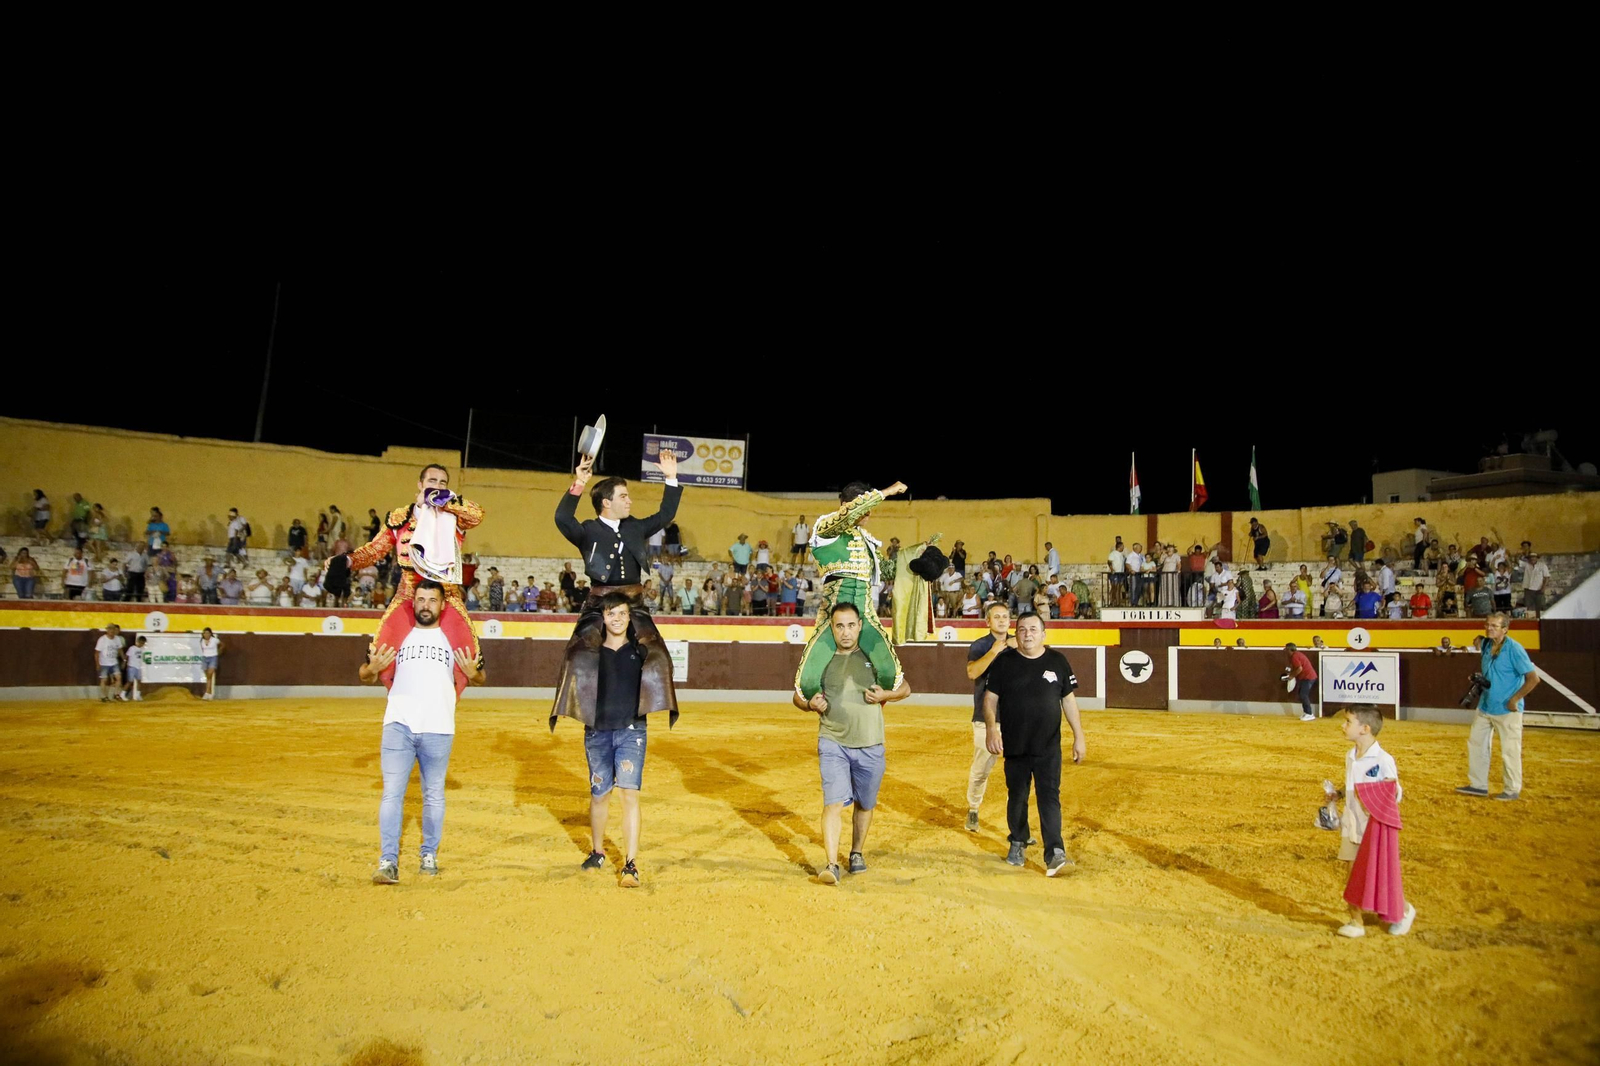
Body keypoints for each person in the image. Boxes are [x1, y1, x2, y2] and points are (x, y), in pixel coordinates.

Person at [360, 581, 485, 884]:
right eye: (421, 599)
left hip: (439, 727)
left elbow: (479, 676)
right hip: (399, 724)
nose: (425, 604)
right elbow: (364, 675)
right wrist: (372, 669)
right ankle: (388, 860)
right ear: (412, 602)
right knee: (392, 794)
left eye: (432, 599)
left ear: (443, 604)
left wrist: (473, 675)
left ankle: (429, 853)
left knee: (433, 796)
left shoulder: (454, 638)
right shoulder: (396, 636)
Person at [551, 448, 682, 733]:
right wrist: (579, 483)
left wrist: (671, 478)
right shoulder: (587, 530)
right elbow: (562, 519)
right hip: (599, 603)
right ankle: (587, 711)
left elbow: (666, 514)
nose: (629, 500)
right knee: (576, 656)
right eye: (624, 496)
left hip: (634, 603)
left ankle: (640, 710)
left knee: (657, 654)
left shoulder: (635, 526)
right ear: (606, 502)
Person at [793, 602, 910, 884]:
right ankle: (832, 863)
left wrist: (886, 696)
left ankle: (856, 852)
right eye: (839, 626)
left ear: (859, 626)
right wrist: (809, 704)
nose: (845, 632)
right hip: (832, 741)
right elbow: (797, 695)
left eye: (850, 625)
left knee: (865, 803)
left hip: (870, 743)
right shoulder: (821, 658)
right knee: (833, 802)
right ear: (831, 628)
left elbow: (905, 688)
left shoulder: (875, 657)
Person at [324, 463, 485, 665]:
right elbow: (375, 550)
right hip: (409, 590)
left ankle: (449, 694)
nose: (437, 485)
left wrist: (436, 499)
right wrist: (345, 560)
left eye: (442, 483)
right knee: (380, 651)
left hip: (446, 591)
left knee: (469, 655)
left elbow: (476, 514)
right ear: (420, 484)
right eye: (432, 481)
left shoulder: (454, 515)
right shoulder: (400, 517)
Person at [983, 612, 1085, 876]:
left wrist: (1079, 736)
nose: (1027, 634)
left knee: (1049, 797)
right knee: (1017, 797)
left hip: (1048, 746)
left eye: (1032, 629)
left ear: (1043, 634)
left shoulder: (1058, 661)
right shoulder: (1004, 662)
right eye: (1022, 630)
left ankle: (1055, 853)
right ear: (1015, 635)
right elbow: (990, 699)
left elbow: (1069, 702)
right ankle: (1017, 841)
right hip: (1015, 745)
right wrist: (992, 730)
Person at [793, 480, 909, 703]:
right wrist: (886, 492)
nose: (869, 514)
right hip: (833, 615)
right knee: (807, 684)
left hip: (864, 614)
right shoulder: (825, 529)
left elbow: (885, 569)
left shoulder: (865, 539)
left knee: (890, 673)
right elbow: (849, 514)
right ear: (846, 505)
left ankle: (868, 713)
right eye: (865, 508)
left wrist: (916, 563)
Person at [575, 594, 654, 886]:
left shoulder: (641, 651)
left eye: (622, 613)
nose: (617, 618)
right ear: (603, 618)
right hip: (597, 730)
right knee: (599, 794)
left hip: (632, 731)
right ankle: (597, 851)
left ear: (630, 617)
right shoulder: (590, 653)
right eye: (611, 613)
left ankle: (630, 863)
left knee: (629, 795)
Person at [1335, 705, 1415, 938]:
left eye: (1348, 722)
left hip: (1373, 829)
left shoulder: (1383, 759)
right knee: (1351, 875)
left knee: (1378, 875)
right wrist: (1339, 794)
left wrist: (1371, 798)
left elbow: (1394, 792)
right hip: (1351, 825)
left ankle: (1404, 910)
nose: (1343, 726)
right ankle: (1356, 922)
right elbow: (1351, 783)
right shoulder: (1351, 755)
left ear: (1365, 728)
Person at [1456, 612, 1539, 801]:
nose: (1489, 628)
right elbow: (1479, 641)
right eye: (1487, 625)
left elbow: (1533, 679)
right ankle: (1478, 785)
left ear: (1505, 629)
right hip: (1485, 705)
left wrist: (1515, 699)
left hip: (1507, 709)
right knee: (1477, 745)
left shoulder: (1514, 649)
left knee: (1510, 750)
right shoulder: (1486, 644)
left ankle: (1511, 790)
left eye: (1494, 626)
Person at [963, 603, 1014, 832]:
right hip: (987, 718)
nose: (1002, 620)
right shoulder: (981, 646)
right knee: (981, 769)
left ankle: (1018, 821)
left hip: (1016, 717)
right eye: (997, 617)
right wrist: (995, 650)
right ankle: (973, 808)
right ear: (988, 622)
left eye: (1005, 616)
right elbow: (972, 672)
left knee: (1019, 770)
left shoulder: (1020, 643)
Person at [1285, 642, 1318, 722]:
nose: (1285, 650)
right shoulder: (1297, 654)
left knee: (1303, 694)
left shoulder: (1294, 656)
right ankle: (1307, 713)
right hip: (1308, 677)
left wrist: (1292, 676)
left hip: (1308, 677)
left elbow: (1299, 669)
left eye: (1286, 649)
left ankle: (1309, 713)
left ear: (1289, 649)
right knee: (1302, 694)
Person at [94, 624, 124, 703]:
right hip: (104, 663)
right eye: (110, 629)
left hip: (114, 662)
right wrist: (97, 664)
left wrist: (124, 660)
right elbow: (97, 653)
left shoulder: (117, 639)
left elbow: (120, 649)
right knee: (104, 679)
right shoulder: (102, 639)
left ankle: (116, 694)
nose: (111, 631)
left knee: (118, 678)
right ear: (107, 630)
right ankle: (104, 696)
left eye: (113, 629)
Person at [120, 635, 147, 701]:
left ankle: (138, 695)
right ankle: (122, 694)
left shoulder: (142, 649)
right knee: (130, 681)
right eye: (140, 642)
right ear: (137, 641)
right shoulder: (132, 648)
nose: (141, 644)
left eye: (143, 643)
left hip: (138, 667)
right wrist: (124, 663)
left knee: (139, 681)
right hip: (132, 666)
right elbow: (127, 656)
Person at [200, 627, 222, 700]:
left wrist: (218, 652)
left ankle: (208, 692)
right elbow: (202, 649)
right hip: (205, 658)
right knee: (208, 676)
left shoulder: (214, 640)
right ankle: (209, 693)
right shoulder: (202, 641)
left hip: (213, 657)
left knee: (209, 674)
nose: (206, 634)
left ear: (210, 634)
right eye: (205, 633)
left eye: (208, 633)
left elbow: (222, 645)